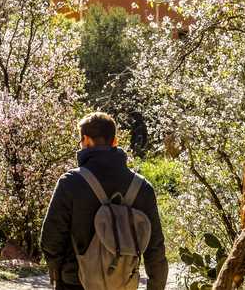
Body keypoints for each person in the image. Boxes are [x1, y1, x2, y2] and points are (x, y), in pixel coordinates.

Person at [40, 112, 167, 290]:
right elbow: (156, 248)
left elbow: (50, 239)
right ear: (114, 142)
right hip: (123, 283)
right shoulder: (142, 187)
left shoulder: (70, 182)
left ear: (86, 140)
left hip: (76, 283)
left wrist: (58, 277)